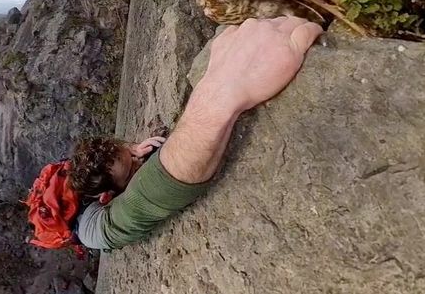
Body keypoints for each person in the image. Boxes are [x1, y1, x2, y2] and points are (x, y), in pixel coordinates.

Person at [69, 16, 323, 250]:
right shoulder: (92, 231)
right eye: (130, 167)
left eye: (130, 152)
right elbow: (146, 196)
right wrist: (221, 91)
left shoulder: (122, 160)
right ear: (107, 196)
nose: (138, 157)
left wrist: (135, 151)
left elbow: (129, 160)